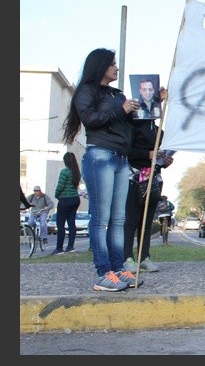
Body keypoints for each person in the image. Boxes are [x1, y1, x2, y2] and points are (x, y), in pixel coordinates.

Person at [62, 47, 143, 292]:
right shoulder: (86, 92)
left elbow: (129, 124)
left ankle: (118, 269)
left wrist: (152, 103)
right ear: (100, 66)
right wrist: (122, 110)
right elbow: (91, 120)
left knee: (118, 219)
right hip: (100, 156)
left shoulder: (117, 95)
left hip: (120, 158)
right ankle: (103, 272)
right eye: (112, 64)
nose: (116, 68)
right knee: (101, 219)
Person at [123, 93, 174, 273]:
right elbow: (128, 151)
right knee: (131, 219)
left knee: (146, 220)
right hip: (134, 178)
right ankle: (127, 257)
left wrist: (165, 161)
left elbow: (162, 156)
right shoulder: (133, 124)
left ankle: (144, 256)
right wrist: (148, 154)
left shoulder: (159, 131)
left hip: (153, 179)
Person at [52, 152, 82, 254]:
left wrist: (56, 195)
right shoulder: (76, 172)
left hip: (65, 199)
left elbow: (60, 186)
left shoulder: (64, 172)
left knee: (60, 224)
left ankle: (59, 248)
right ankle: (70, 247)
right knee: (71, 223)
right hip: (75, 199)